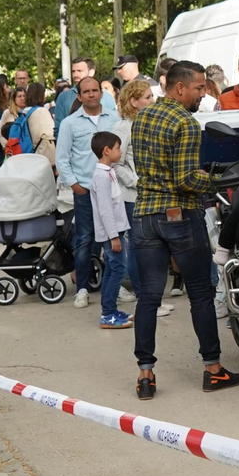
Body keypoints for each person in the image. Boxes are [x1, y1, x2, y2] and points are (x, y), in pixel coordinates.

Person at [129, 61, 239, 399]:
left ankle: (145, 375)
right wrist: (222, 179)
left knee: (149, 297)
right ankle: (213, 370)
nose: (203, 94)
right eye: (199, 88)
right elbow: (186, 180)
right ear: (180, 88)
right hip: (179, 216)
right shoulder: (186, 123)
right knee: (200, 293)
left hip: (144, 215)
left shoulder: (142, 117)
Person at [55, 76, 120, 307]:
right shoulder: (69, 123)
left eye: (95, 90)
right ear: (80, 96)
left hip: (111, 189)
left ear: (101, 93)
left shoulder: (114, 119)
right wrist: (75, 184)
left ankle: (115, 286)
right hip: (85, 190)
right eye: (86, 91)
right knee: (84, 239)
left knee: (114, 237)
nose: (91, 94)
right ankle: (82, 288)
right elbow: (62, 159)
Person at [115, 78, 157, 314]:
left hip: (152, 193)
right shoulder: (123, 129)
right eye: (147, 97)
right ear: (133, 101)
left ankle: (150, 298)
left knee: (149, 245)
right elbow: (116, 163)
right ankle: (144, 298)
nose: (152, 100)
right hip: (133, 196)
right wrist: (137, 182)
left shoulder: (150, 123)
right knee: (137, 245)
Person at [89, 131, 133, 330]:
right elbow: (105, 209)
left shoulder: (108, 172)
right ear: (106, 150)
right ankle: (107, 314)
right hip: (111, 233)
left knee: (112, 269)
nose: (120, 151)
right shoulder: (101, 177)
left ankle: (110, 309)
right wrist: (113, 236)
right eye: (117, 148)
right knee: (119, 270)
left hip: (116, 230)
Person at [53, 57, 96, 139]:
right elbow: (59, 130)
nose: (75, 75)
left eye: (79, 71)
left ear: (91, 72)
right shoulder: (64, 97)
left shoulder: (106, 97)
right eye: (73, 71)